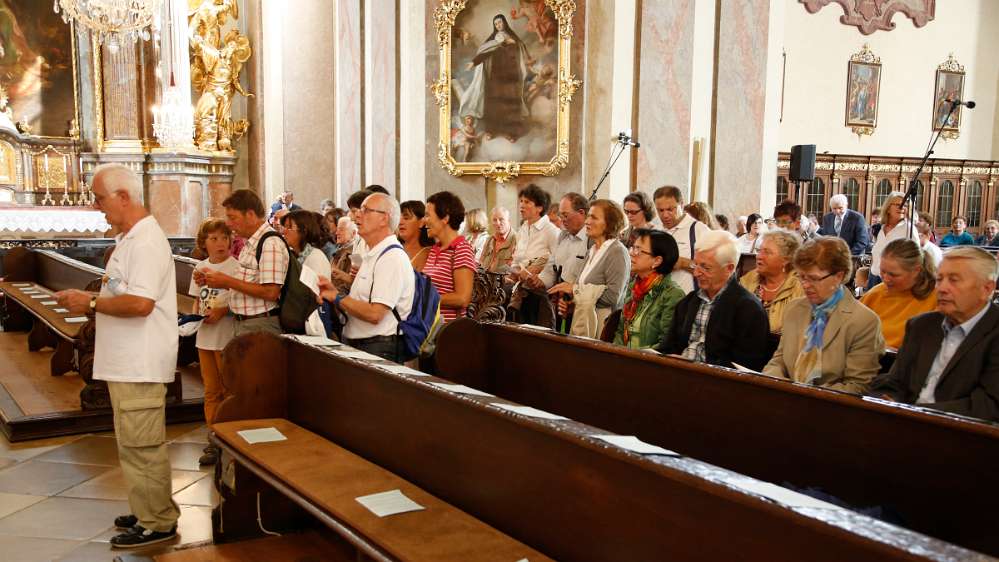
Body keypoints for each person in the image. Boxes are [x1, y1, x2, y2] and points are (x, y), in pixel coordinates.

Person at [55, 164, 180, 547]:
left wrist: (88, 301)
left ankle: (157, 522)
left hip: (139, 362)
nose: (96, 206)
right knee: (133, 442)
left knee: (143, 444)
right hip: (129, 361)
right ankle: (148, 507)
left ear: (124, 197)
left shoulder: (144, 242)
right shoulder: (131, 238)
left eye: (99, 198)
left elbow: (141, 303)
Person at [871, 247, 999, 421]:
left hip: (961, 436)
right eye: (939, 279)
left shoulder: (994, 332)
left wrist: (914, 411)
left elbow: (988, 406)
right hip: (902, 423)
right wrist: (887, 399)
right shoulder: (921, 326)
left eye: (954, 280)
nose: (942, 288)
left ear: (987, 288)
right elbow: (894, 382)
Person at [762, 237, 884, 394]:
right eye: (802, 277)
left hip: (831, 410)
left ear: (839, 276)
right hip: (786, 400)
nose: (805, 285)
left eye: (813, 278)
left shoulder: (864, 321)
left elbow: (856, 386)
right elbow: (778, 361)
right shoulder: (794, 309)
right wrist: (775, 383)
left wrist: (804, 396)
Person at [318, 193, 414, 362]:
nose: (357, 215)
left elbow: (375, 314)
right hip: (363, 344)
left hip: (378, 347)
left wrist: (338, 297)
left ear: (384, 219)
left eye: (366, 210)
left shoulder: (392, 257)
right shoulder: (373, 253)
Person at [655, 230, 770, 369]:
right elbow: (668, 347)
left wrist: (695, 367)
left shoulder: (749, 309)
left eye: (705, 267)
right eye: (695, 264)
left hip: (717, 383)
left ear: (729, 268)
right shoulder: (689, 301)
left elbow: (745, 367)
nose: (696, 273)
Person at [201, 189, 288, 336]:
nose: (228, 224)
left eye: (233, 218)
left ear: (250, 215)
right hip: (246, 324)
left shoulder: (269, 243)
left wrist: (227, 281)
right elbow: (247, 283)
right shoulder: (251, 243)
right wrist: (213, 280)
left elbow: (271, 292)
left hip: (259, 325)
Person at [188, 219, 238, 466]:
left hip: (226, 336)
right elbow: (197, 300)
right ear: (204, 243)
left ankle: (231, 438)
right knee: (210, 391)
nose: (220, 243)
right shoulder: (200, 267)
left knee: (229, 390)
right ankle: (214, 437)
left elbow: (241, 301)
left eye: (224, 238)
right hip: (205, 338)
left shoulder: (235, 267)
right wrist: (195, 315)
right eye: (214, 238)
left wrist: (223, 311)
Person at [548, 199, 630, 337]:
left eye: (594, 217)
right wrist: (572, 305)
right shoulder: (592, 250)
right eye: (588, 216)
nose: (587, 221)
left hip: (604, 329)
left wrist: (575, 290)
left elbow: (613, 297)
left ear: (610, 223)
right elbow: (585, 293)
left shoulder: (617, 252)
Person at [457, 14, 532, 142]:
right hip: (496, 77)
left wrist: (511, 42)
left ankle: (511, 133)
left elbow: (522, 53)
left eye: (500, 22)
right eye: (496, 24)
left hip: (511, 77)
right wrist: (474, 62)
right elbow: (485, 52)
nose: (498, 25)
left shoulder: (514, 38)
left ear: (505, 23)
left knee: (510, 104)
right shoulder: (494, 39)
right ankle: (491, 130)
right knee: (494, 103)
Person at [861, 239, 938, 350]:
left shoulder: (936, 298)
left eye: (893, 275)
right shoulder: (875, 294)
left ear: (917, 270)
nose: (886, 279)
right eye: (883, 271)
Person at [613, 229, 684, 349]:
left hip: (648, 363)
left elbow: (666, 344)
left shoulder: (672, 294)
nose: (632, 253)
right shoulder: (634, 286)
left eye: (639, 250)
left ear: (657, 261)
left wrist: (634, 357)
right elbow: (620, 330)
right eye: (633, 247)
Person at [424, 191, 479, 322]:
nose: (424, 221)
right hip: (428, 326)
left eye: (428, 215)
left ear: (445, 218)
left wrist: (425, 299)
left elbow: (462, 298)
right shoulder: (434, 250)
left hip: (446, 331)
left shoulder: (461, 249)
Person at [739, 230, 804, 335]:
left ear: (786, 260)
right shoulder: (748, 280)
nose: (759, 256)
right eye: (759, 250)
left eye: (767, 252)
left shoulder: (800, 288)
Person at [654, 185, 711, 295]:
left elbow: (711, 269)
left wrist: (683, 263)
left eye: (670, 209)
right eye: (660, 210)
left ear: (681, 204)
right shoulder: (655, 232)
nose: (665, 215)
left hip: (687, 300)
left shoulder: (698, 230)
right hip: (659, 301)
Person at [870, 192, 916, 289]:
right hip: (874, 277)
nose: (902, 208)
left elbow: (916, 256)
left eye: (905, 206)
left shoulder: (908, 229)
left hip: (893, 280)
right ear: (888, 208)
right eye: (898, 205)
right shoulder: (881, 228)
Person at [511, 183, 559, 274]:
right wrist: (513, 272)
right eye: (521, 201)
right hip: (518, 281)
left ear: (539, 208)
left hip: (538, 283)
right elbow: (517, 260)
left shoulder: (550, 230)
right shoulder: (523, 229)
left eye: (527, 202)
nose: (521, 205)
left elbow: (557, 261)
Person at [480, 206, 518, 273]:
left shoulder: (516, 239)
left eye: (501, 219)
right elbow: (481, 262)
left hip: (504, 281)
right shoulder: (489, 240)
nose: (498, 223)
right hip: (485, 279)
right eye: (494, 220)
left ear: (509, 221)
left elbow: (515, 269)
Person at [399, 200, 434, 272]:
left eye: (406, 218)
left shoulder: (429, 253)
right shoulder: (393, 248)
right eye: (398, 218)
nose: (400, 222)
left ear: (421, 222)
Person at [330, 217, 358, 293]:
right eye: (337, 229)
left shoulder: (355, 255)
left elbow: (350, 285)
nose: (336, 233)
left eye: (341, 229)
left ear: (353, 233)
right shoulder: (339, 250)